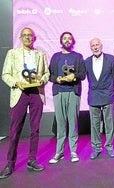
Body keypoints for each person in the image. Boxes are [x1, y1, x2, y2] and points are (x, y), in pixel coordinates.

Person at [0, 27, 50, 179]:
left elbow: (46, 73)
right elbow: (5, 74)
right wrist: (16, 83)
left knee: (35, 129)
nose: (28, 38)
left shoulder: (41, 54)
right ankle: (10, 163)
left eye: (30, 35)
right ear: (20, 38)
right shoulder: (13, 53)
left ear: (34, 38)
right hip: (19, 92)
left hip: (36, 93)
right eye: (25, 35)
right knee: (15, 129)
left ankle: (32, 160)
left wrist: (42, 80)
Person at [48, 32, 86, 164]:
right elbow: (49, 75)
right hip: (59, 92)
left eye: (69, 38)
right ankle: (59, 152)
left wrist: (74, 76)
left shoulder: (78, 56)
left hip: (73, 92)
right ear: (61, 41)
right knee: (60, 123)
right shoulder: (55, 56)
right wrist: (57, 78)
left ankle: (73, 151)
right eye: (65, 38)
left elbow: (83, 74)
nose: (67, 40)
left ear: (73, 41)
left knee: (73, 122)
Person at [84, 38, 114, 159]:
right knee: (94, 124)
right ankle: (96, 147)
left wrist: (110, 91)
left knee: (109, 123)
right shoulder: (86, 61)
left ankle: (109, 146)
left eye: (97, 45)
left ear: (101, 46)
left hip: (107, 95)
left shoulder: (111, 59)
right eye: (93, 46)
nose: (95, 47)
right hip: (93, 95)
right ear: (90, 48)